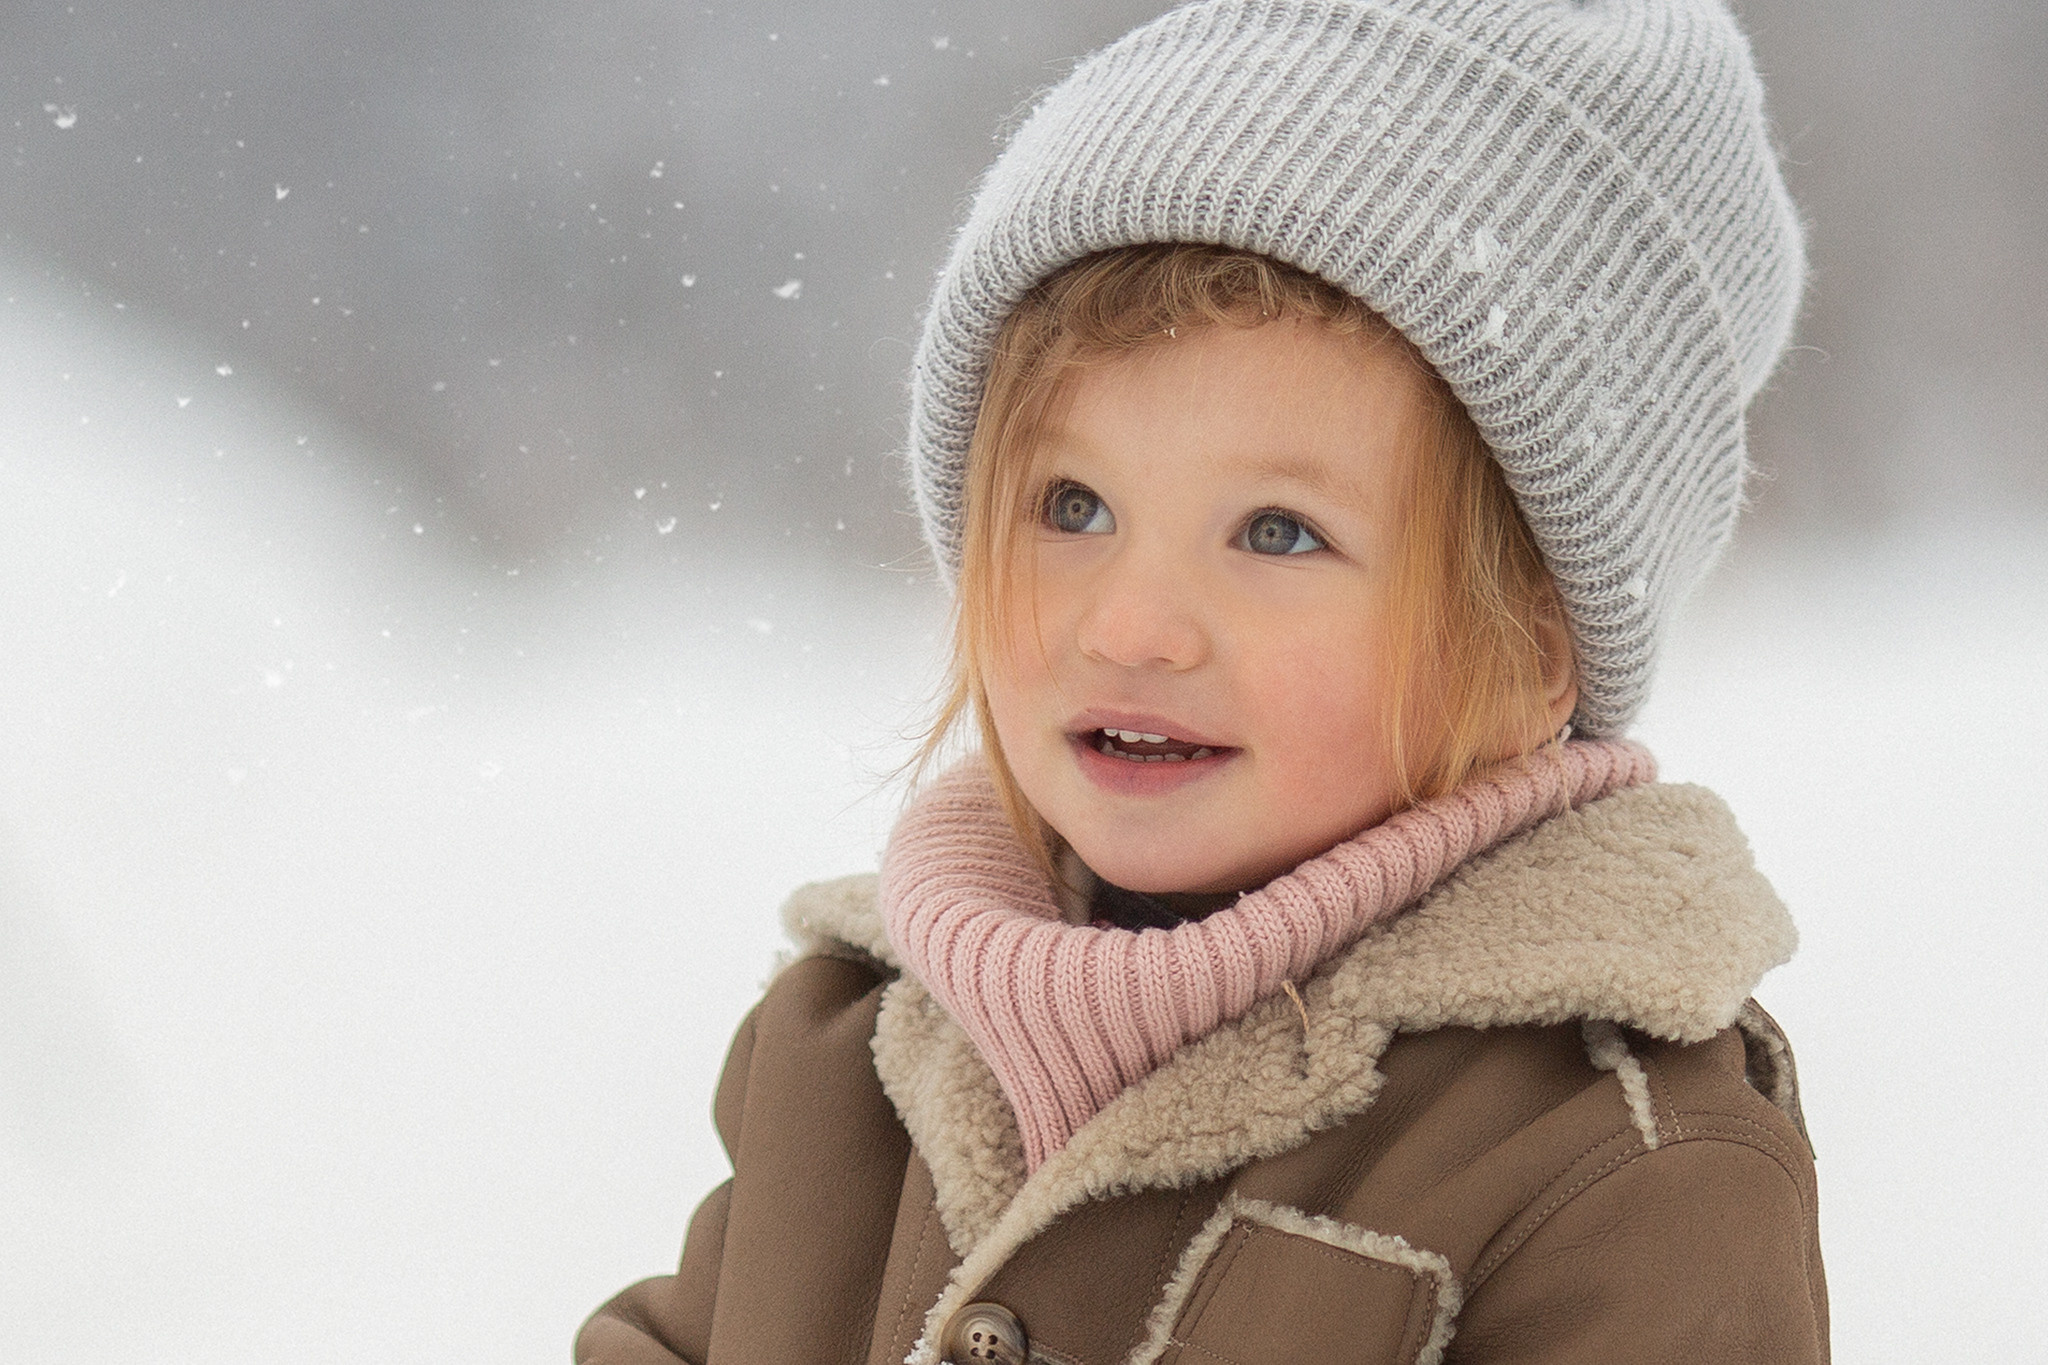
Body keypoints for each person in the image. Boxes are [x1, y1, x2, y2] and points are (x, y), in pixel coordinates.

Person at [579, 0, 1827, 1360]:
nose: (1132, 626)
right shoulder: (846, 1060)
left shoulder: (1612, 1165)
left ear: (1530, 651)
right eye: (1071, 504)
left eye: (1277, 532)